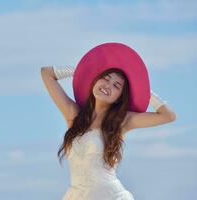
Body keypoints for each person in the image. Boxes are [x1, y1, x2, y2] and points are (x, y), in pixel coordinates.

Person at [40, 43, 176, 200]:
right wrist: (78, 72)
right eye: (105, 78)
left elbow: (168, 116)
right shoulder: (74, 116)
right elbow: (46, 73)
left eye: (116, 86)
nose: (107, 85)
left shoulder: (122, 121)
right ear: (95, 80)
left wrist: (146, 91)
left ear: (120, 97)